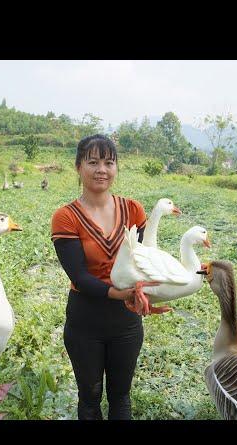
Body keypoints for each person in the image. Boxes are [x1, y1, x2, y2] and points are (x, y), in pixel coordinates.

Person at [51, 134, 148, 420]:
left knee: (121, 397)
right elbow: (79, 276)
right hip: (85, 324)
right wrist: (118, 294)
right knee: (90, 399)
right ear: (78, 167)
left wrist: (150, 293)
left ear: (116, 167)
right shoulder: (65, 216)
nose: (101, 170)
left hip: (127, 324)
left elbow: (142, 263)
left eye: (108, 162)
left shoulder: (133, 210)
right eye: (93, 162)